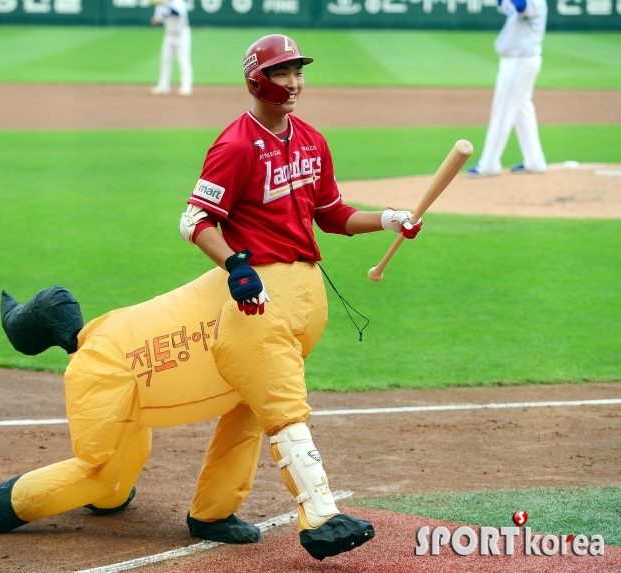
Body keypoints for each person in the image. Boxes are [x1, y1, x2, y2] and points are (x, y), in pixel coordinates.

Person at [177, 34, 422, 560]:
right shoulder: (236, 145)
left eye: (298, 72)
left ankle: (211, 511)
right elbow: (195, 221)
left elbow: (333, 215)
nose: (293, 83)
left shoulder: (312, 140)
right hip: (259, 301)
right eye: (281, 73)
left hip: (302, 290)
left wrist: (389, 219)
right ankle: (320, 515)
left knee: (246, 410)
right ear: (254, 80)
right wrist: (236, 266)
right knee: (284, 407)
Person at [466, 0, 547, 177]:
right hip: (519, 61)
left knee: (503, 111)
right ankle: (535, 161)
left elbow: (520, 5)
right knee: (522, 109)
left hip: (519, 62)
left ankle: (489, 163)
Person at [150, 0, 193, 97]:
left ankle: (186, 87)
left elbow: (177, 13)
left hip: (182, 34)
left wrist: (165, 5)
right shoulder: (160, 5)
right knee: (165, 60)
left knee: (183, 60)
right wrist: (155, 20)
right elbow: (156, 20)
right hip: (169, 35)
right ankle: (163, 86)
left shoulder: (179, 2)